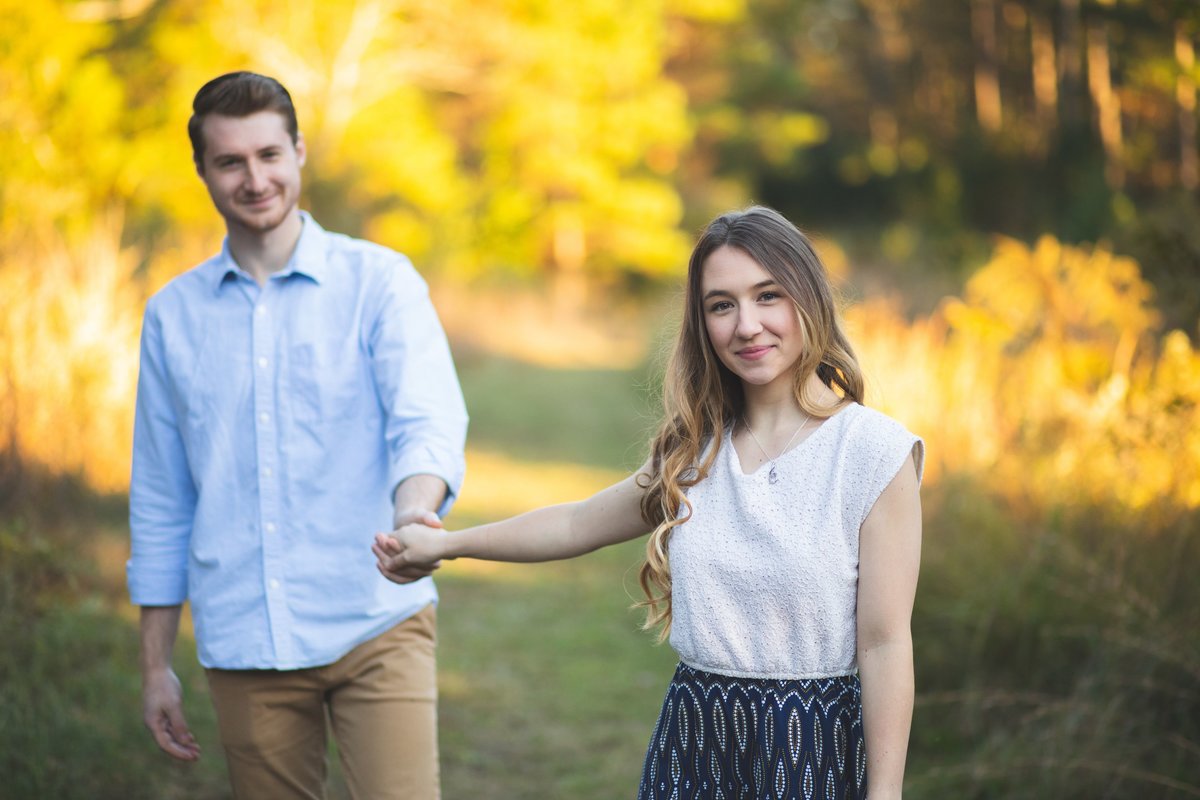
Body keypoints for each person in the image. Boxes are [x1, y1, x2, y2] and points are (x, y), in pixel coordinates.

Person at [374, 205, 923, 800]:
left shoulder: (872, 453)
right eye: (721, 305)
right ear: (702, 323)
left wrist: (885, 793)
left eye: (768, 296)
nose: (746, 325)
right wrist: (447, 544)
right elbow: (575, 523)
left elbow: (885, 643)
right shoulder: (696, 452)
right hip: (695, 746)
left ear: (808, 298)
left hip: (811, 751)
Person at [128, 71, 467, 800]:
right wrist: (156, 665)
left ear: (299, 151)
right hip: (245, 638)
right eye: (231, 161)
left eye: (269, 155)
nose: (255, 180)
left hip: (375, 618)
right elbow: (161, 498)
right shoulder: (171, 316)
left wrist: (414, 509)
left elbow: (427, 420)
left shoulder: (379, 281)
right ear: (203, 170)